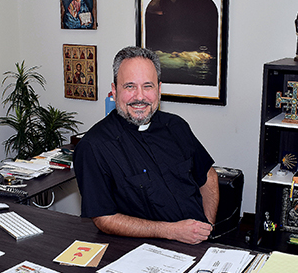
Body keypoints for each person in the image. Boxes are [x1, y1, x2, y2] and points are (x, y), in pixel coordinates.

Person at [74, 46, 219, 245]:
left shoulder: (176, 126)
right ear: (114, 91)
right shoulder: (93, 146)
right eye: (130, 86)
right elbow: (104, 218)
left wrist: (206, 226)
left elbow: (208, 175)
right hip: (145, 252)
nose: (140, 96)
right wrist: (172, 231)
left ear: (159, 90)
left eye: (148, 86)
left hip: (200, 244)